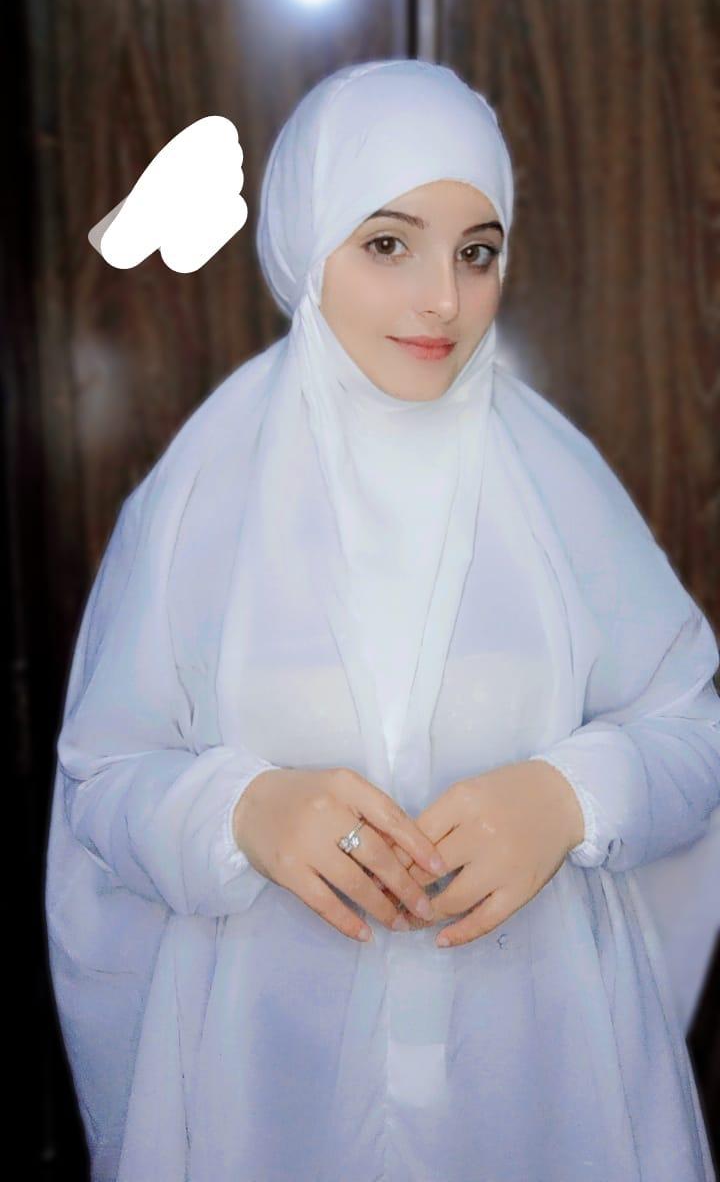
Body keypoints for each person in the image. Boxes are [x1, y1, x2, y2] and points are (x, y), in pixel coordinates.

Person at [44, 58, 720, 1182]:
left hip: (539, 1090)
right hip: (268, 1095)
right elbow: (102, 778)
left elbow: (694, 729)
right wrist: (242, 810)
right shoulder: (204, 497)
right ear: (308, 243)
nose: (443, 299)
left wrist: (571, 795)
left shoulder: (555, 486)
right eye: (389, 244)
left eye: (477, 252)